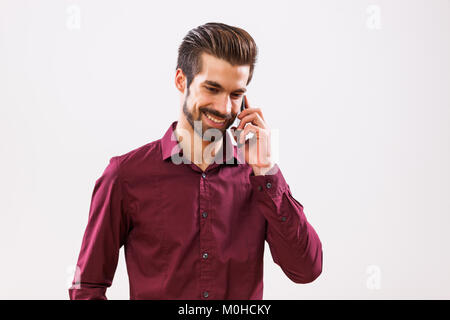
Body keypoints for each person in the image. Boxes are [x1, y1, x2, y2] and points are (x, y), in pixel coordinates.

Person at [69, 22, 322, 300]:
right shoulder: (125, 175)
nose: (224, 108)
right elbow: (87, 286)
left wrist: (266, 170)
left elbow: (306, 270)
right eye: (212, 89)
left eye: (235, 94)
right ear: (181, 80)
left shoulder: (260, 179)